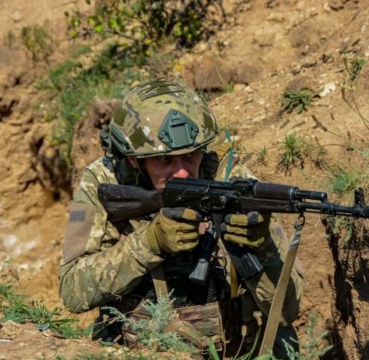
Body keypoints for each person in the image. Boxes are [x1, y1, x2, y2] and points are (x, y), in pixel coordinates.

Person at [58, 79, 304, 358]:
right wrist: (150, 243)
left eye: (190, 155)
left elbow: (288, 311)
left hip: (232, 347)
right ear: (133, 160)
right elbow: (73, 291)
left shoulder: (233, 181)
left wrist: (262, 247)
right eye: (164, 161)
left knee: (284, 340)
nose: (183, 172)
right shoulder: (104, 181)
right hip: (138, 350)